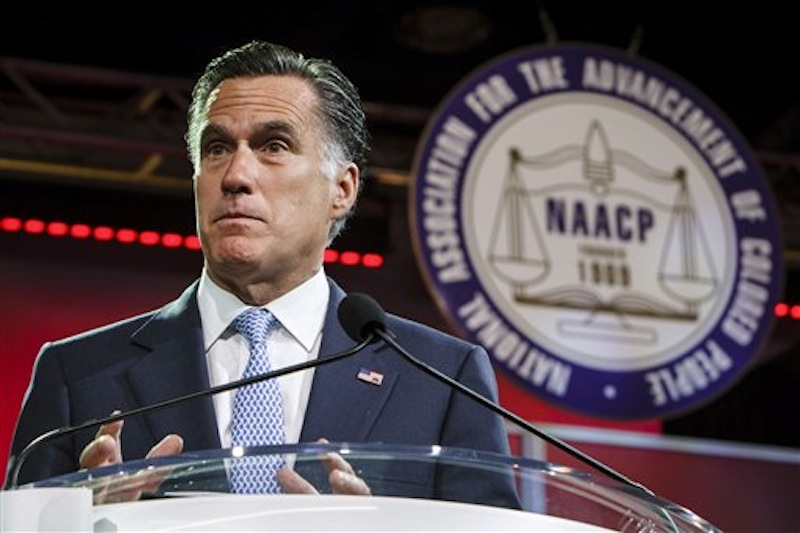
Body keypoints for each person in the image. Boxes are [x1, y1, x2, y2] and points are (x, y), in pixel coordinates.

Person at [5, 40, 520, 508]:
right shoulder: (78, 375)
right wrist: (75, 523)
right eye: (217, 149)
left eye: (274, 146)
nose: (235, 176)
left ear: (342, 190)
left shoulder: (441, 381)